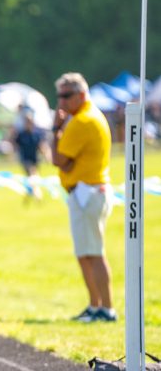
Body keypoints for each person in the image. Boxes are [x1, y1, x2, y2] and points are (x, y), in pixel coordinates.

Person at [51, 72, 116, 323]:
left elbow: (58, 159)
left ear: (81, 94)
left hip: (87, 192)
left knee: (94, 252)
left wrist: (56, 128)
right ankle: (95, 305)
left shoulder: (82, 121)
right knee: (85, 253)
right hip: (86, 191)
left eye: (66, 96)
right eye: (59, 96)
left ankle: (106, 308)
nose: (61, 102)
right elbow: (64, 163)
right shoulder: (86, 116)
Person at [14, 113, 47, 200]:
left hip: (35, 159)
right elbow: (16, 145)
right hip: (25, 160)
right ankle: (37, 194)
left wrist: (45, 155)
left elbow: (40, 146)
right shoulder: (21, 134)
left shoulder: (36, 134)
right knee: (32, 174)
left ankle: (29, 193)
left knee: (31, 178)